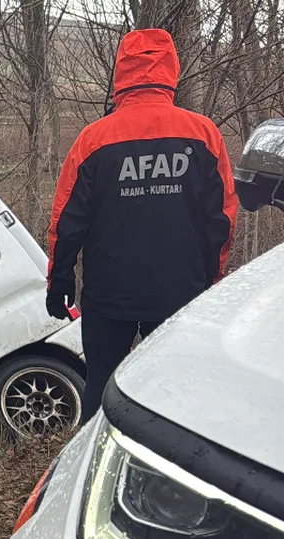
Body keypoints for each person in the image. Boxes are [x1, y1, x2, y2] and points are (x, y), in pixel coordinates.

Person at [46, 28, 236, 420]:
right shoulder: (202, 134)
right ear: (171, 71)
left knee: (99, 388)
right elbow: (221, 218)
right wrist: (213, 278)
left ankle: (93, 470)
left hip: (109, 293)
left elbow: (67, 221)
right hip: (180, 291)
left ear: (122, 73)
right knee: (175, 392)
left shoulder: (94, 140)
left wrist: (60, 278)